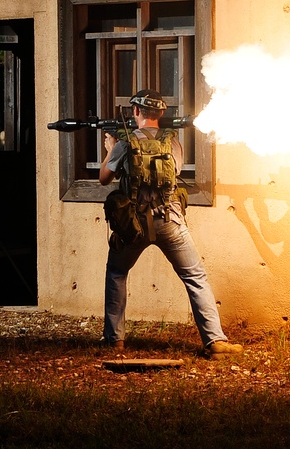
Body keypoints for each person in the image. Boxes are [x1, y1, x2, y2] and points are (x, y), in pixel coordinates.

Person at [99, 89, 243, 358]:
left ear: (136, 112)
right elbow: (173, 173)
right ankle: (215, 342)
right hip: (170, 219)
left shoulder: (124, 143)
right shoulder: (173, 143)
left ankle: (114, 340)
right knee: (195, 277)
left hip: (134, 223)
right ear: (162, 114)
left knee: (117, 273)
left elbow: (104, 178)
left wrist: (110, 149)